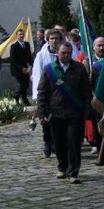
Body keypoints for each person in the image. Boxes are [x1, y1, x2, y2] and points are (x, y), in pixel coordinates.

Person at [36, 42, 92, 184]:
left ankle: (73, 172)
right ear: (57, 53)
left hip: (75, 113)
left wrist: (87, 112)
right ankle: (62, 167)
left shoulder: (79, 69)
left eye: (68, 53)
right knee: (59, 143)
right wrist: (41, 112)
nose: (66, 55)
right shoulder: (49, 70)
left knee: (73, 142)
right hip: (55, 113)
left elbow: (86, 92)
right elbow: (42, 92)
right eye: (63, 53)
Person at [32, 29, 63, 157]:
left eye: (56, 38)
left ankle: (57, 142)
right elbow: (37, 74)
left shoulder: (64, 53)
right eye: (51, 38)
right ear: (48, 40)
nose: (54, 41)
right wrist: (37, 95)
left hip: (61, 92)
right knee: (45, 119)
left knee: (58, 120)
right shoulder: (41, 55)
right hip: (47, 92)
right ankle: (47, 142)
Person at [10, 29, 33, 105]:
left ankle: (23, 99)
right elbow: (13, 60)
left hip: (26, 69)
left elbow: (29, 57)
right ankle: (18, 96)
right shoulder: (14, 46)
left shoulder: (27, 44)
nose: (21, 36)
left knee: (26, 85)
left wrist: (30, 65)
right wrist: (21, 68)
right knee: (23, 84)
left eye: (22, 34)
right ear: (17, 36)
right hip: (17, 69)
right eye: (20, 34)